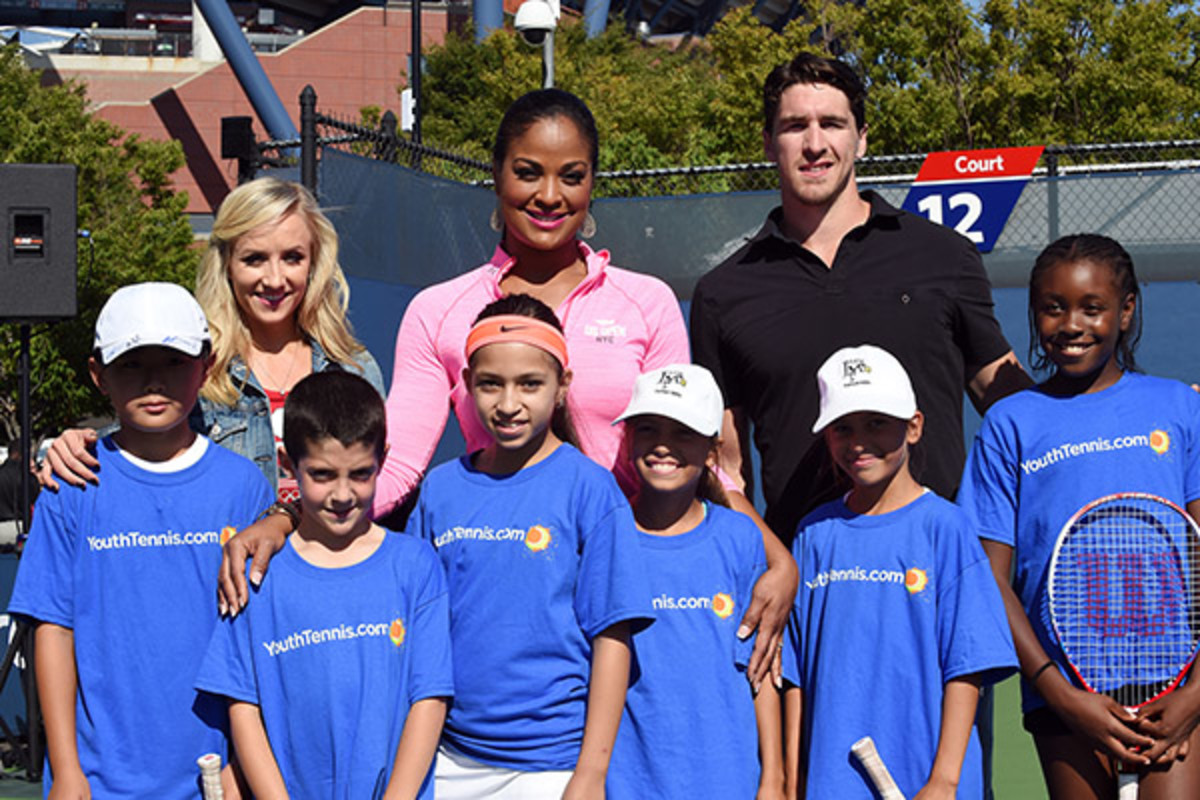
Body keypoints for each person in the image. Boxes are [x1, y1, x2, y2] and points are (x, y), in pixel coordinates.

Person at [221, 89, 796, 686]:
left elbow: (690, 454)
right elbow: (391, 470)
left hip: (639, 589)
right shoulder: (439, 311)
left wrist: (772, 553)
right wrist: (286, 517)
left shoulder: (646, 303)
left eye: (571, 177)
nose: (550, 196)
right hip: (508, 604)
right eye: (528, 173)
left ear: (592, 184)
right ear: (496, 177)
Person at [690, 52, 1029, 545]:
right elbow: (727, 470)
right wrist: (772, 564)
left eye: (832, 123)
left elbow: (1010, 400)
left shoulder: (943, 255)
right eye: (793, 126)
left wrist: (1123, 409)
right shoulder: (724, 293)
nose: (814, 144)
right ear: (767, 144)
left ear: (862, 138)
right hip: (807, 580)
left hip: (937, 567)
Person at [958, 234, 1200, 799]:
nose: (1072, 325)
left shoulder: (1180, 407)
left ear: (1126, 310)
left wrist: (1195, 693)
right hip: (1065, 695)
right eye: (1053, 307)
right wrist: (1058, 691)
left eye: (1092, 307)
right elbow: (991, 578)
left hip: (1179, 685)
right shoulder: (1009, 424)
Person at [8, 282, 273, 798]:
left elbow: (257, 641)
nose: (153, 380)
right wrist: (66, 772)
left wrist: (245, 766)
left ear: (207, 363)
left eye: (173, 361)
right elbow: (53, 631)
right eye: (131, 364)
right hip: (100, 781)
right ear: (97, 375)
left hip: (219, 780)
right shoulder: (71, 487)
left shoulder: (243, 487)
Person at [404, 294, 650, 798]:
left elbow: (612, 637)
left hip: (551, 765)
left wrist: (590, 773)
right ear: (467, 385)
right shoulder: (440, 489)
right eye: (490, 384)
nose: (509, 403)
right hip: (450, 758)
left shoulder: (590, 489)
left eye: (530, 384)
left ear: (562, 388)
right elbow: (418, 629)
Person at [39, 177, 385, 500]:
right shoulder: (196, 367)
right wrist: (76, 446)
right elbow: (136, 447)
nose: (275, 279)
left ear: (313, 264)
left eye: (292, 258)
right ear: (227, 266)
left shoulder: (354, 369)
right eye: (254, 259)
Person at [196, 371, 452, 799]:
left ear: (382, 460)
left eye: (359, 474)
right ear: (287, 465)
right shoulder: (259, 573)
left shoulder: (415, 565)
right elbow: (242, 706)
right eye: (322, 474)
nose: (342, 493)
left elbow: (430, 697)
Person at [783, 344, 1016, 799]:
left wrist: (945, 780)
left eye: (877, 423)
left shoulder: (946, 528)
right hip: (833, 784)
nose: (858, 442)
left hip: (930, 782)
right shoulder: (814, 534)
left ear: (914, 427)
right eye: (842, 428)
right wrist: (795, 781)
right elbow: (795, 677)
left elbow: (967, 668)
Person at [606, 364, 784, 800]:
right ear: (628, 438)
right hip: (627, 784)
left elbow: (759, 668)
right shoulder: (605, 534)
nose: (662, 445)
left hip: (731, 781)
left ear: (711, 450)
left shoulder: (739, 537)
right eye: (648, 428)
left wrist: (774, 778)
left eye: (683, 432)